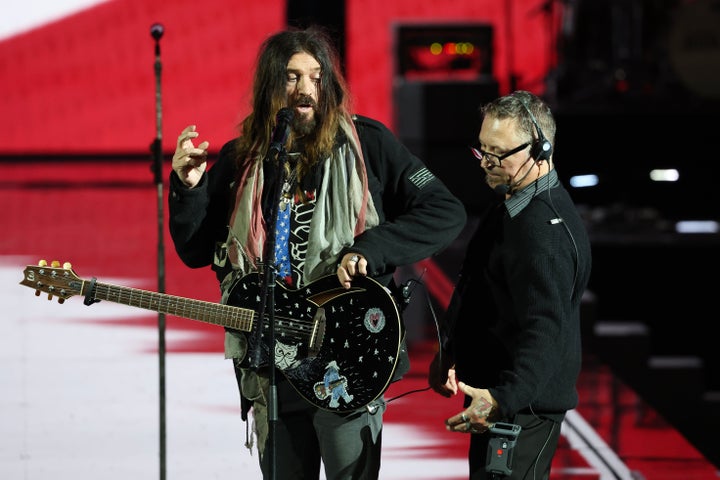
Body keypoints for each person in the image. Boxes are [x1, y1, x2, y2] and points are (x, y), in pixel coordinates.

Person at [168, 26, 466, 480]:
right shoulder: (244, 158)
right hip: (275, 365)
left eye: (316, 76)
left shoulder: (369, 145)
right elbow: (194, 250)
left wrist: (372, 247)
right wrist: (189, 190)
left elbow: (445, 211)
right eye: (291, 78)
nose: (305, 90)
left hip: (349, 357)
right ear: (271, 87)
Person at [428, 90, 592, 480]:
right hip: (505, 402)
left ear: (540, 149)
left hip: (521, 410)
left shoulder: (543, 230)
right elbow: (477, 285)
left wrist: (503, 399)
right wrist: (451, 348)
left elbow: (546, 329)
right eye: (482, 150)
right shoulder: (514, 205)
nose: (486, 163)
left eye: (498, 153)